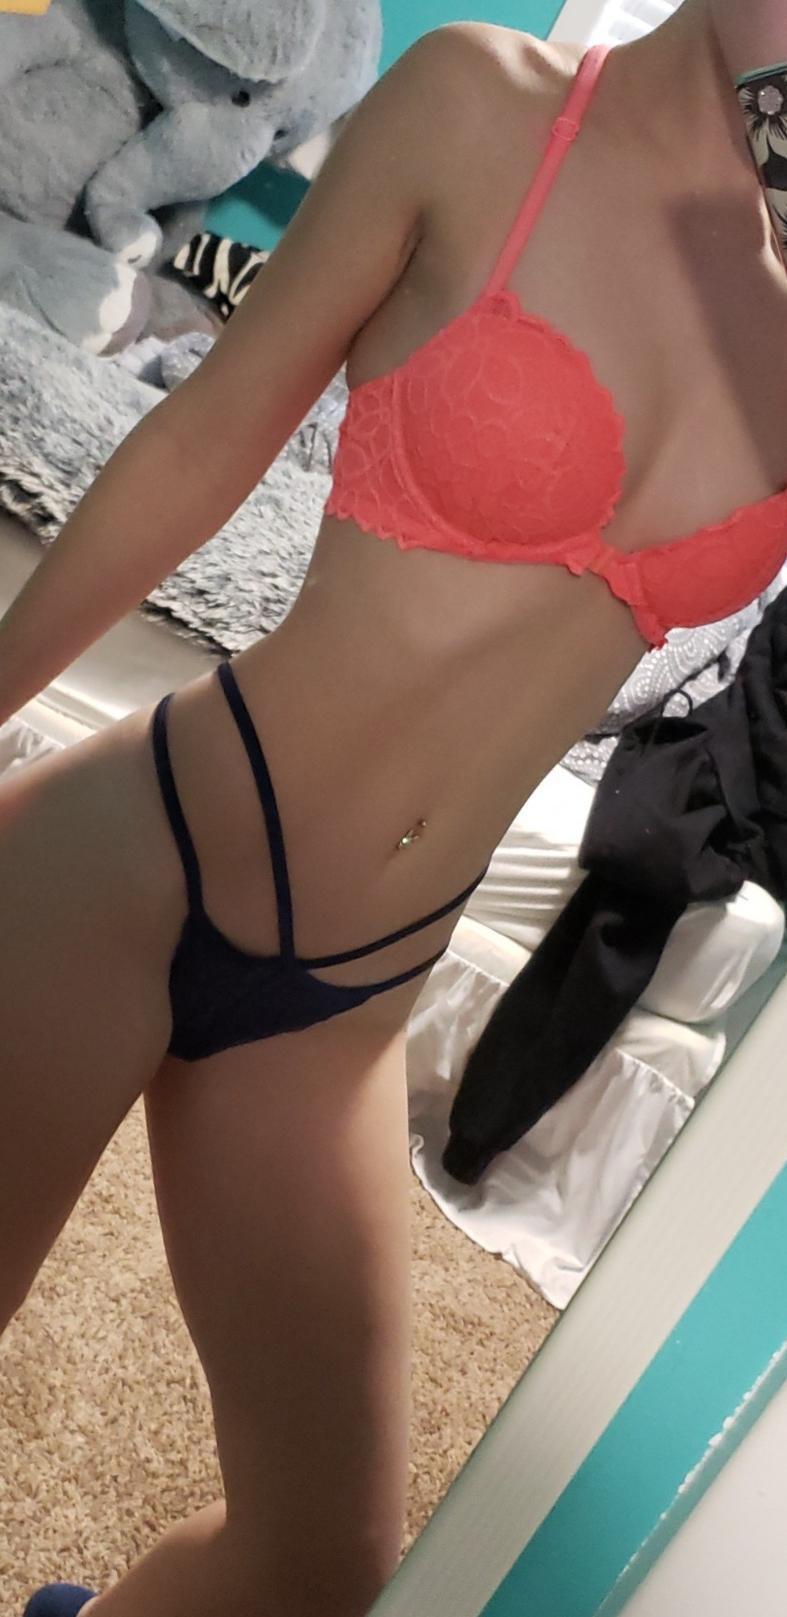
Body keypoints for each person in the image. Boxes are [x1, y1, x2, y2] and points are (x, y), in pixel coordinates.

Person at [2, 2, 786, 1614]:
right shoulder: (478, 102)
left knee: (322, 1567)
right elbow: (202, 441)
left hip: (346, 1004)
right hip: (145, 857)